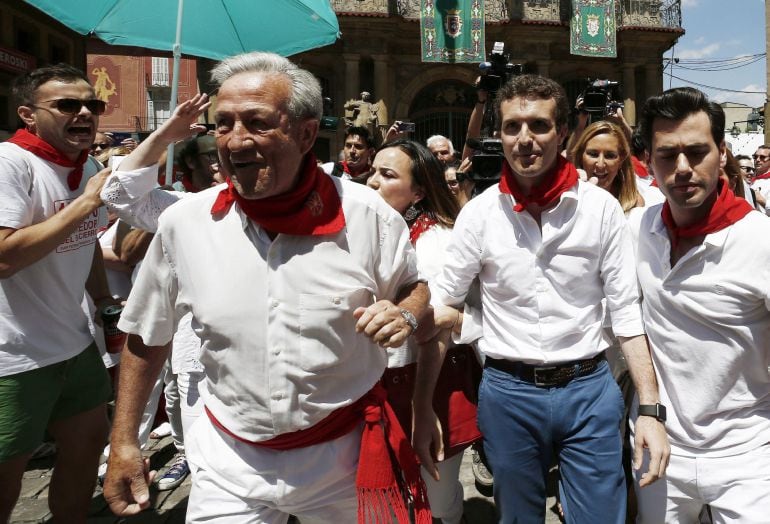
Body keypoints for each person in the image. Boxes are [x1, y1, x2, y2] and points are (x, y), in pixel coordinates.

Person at [102, 51, 431, 523]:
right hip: (228, 463)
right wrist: (124, 441)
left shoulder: (370, 216)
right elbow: (145, 334)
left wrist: (404, 314)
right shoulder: (184, 223)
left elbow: (414, 287)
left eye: (256, 123)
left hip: (344, 457)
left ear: (306, 134)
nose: (236, 141)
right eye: (223, 124)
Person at [425, 74, 669, 523]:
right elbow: (445, 309)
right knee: (518, 518)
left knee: (601, 516)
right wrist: (421, 398)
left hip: (589, 390)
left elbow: (626, 316)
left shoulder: (600, 209)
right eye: (512, 126)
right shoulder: (479, 215)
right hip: (507, 392)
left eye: (538, 126)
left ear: (561, 133)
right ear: (498, 134)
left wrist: (651, 409)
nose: (524, 139)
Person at [634, 86, 770, 524]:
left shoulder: (759, 240)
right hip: (660, 450)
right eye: (667, 155)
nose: (683, 169)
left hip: (750, 457)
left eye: (697, 151)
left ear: (723, 152)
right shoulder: (637, 230)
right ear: (650, 160)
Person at [0, 63, 114, 522]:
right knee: (8, 472)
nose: (85, 112)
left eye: (94, 104)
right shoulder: (11, 162)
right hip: (14, 355)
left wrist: (103, 300)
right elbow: (4, 256)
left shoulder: (86, 165)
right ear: (29, 114)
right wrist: (86, 202)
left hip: (74, 343)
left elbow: (84, 244)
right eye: (68, 104)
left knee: (87, 445)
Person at [366, 139, 478, 524]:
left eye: (387, 175)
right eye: (373, 171)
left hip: (430, 387)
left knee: (437, 496)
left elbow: (439, 330)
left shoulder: (439, 242)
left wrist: (421, 407)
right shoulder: (358, 232)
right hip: (369, 388)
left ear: (419, 191)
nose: (372, 182)